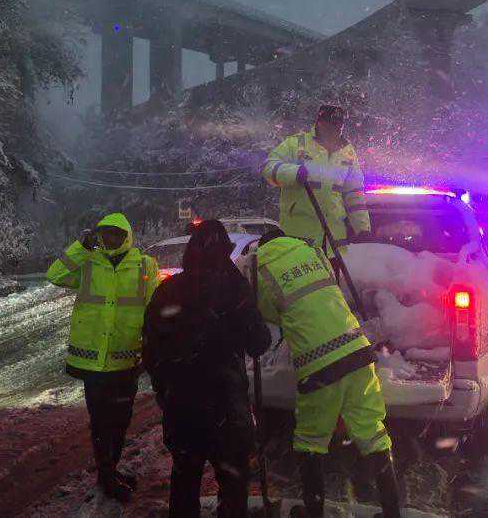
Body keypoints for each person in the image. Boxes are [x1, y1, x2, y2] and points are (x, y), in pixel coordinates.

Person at [251, 228, 399, 518]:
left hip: (319, 366)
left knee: (310, 442)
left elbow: (269, 316)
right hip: (357, 352)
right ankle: (391, 511)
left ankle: (314, 510)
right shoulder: (312, 251)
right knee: (374, 434)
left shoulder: (263, 267)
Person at [143, 219, 272, 518]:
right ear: (225, 252)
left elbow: (150, 349)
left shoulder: (169, 291)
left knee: (185, 479)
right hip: (227, 408)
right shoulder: (234, 289)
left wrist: (165, 390)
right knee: (233, 482)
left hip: (182, 408)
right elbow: (259, 343)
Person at [46, 213, 160, 502]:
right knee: (100, 422)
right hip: (93, 363)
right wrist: (80, 247)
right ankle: (107, 477)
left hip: (127, 360)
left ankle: (110, 471)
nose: (109, 239)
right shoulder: (88, 262)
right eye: (104, 234)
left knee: (120, 420)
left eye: (115, 234)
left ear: (127, 236)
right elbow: (55, 275)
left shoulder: (145, 265)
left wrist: (152, 347)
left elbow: (155, 308)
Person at [261, 104, 372, 254]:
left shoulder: (348, 152)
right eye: (330, 124)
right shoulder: (296, 144)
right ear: (319, 123)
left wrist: (363, 229)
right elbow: (268, 168)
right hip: (298, 240)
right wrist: (294, 173)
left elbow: (354, 194)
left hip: (334, 244)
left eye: (338, 125)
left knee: (330, 278)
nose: (334, 129)